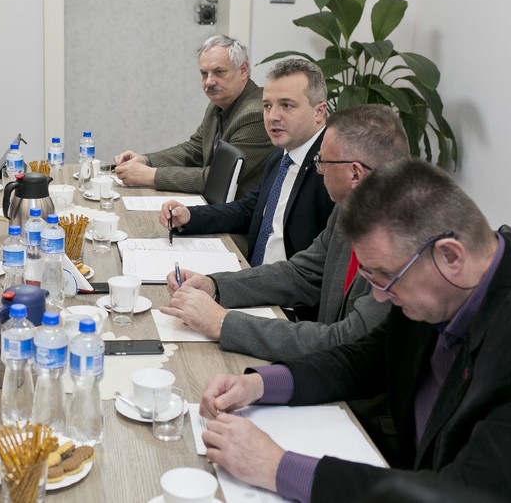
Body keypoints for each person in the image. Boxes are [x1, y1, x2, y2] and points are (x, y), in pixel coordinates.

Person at [199, 158, 511, 502]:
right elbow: (368, 358)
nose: (379, 295)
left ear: (450, 256)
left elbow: (467, 493)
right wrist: (259, 384)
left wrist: (277, 468)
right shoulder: (436, 286)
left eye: (385, 276)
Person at [162, 105, 409, 360]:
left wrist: (223, 323)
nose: (319, 170)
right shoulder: (350, 207)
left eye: (322, 162)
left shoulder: (404, 244)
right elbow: (302, 273)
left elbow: (345, 341)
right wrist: (215, 286)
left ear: (355, 173)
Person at [160, 58, 334, 266]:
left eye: (286, 105)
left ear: (319, 112)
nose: (272, 116)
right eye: (267, 106)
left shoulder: (333, 168)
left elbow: (324, 265)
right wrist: (190, 216)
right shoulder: (282, 155)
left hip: (289, 282)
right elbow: (249, 210)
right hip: (254, 272)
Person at [114, 35, 274, 195]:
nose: (209, 82)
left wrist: (151, 175)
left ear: (243, 70)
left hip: (239, 209)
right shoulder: (218, 103)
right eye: (204, 74)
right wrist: (146, 161)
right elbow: (194, 150)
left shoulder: (255, 115)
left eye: (219, 72)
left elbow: (220, 179)